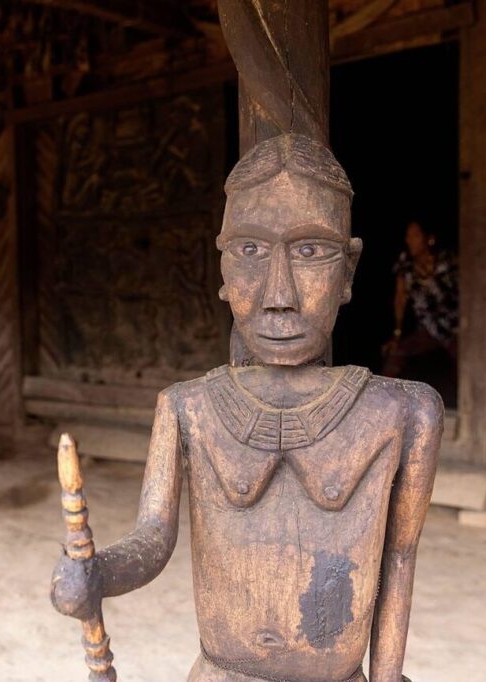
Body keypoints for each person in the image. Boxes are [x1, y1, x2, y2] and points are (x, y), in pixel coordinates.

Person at [51, 134, 441, 682]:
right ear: (223, 269)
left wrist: (390, 675)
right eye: (250, 251)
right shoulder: (188, 407)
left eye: (310, 251)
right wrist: (97, 574)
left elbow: (399, 559)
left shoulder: (403, 412)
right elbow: (152, 541)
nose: (278, 294)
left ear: (348, 271)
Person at [381, 220, 458, 378]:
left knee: (468, 359)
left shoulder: (447, 260)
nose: (409, 240)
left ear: (429, 239)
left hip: (455, 326)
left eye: (415, 235)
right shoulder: (406, 264)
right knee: (396, 353)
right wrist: (397, 335)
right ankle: (381, 399)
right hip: (429, 329)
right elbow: (400, 298)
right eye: (408, 236)